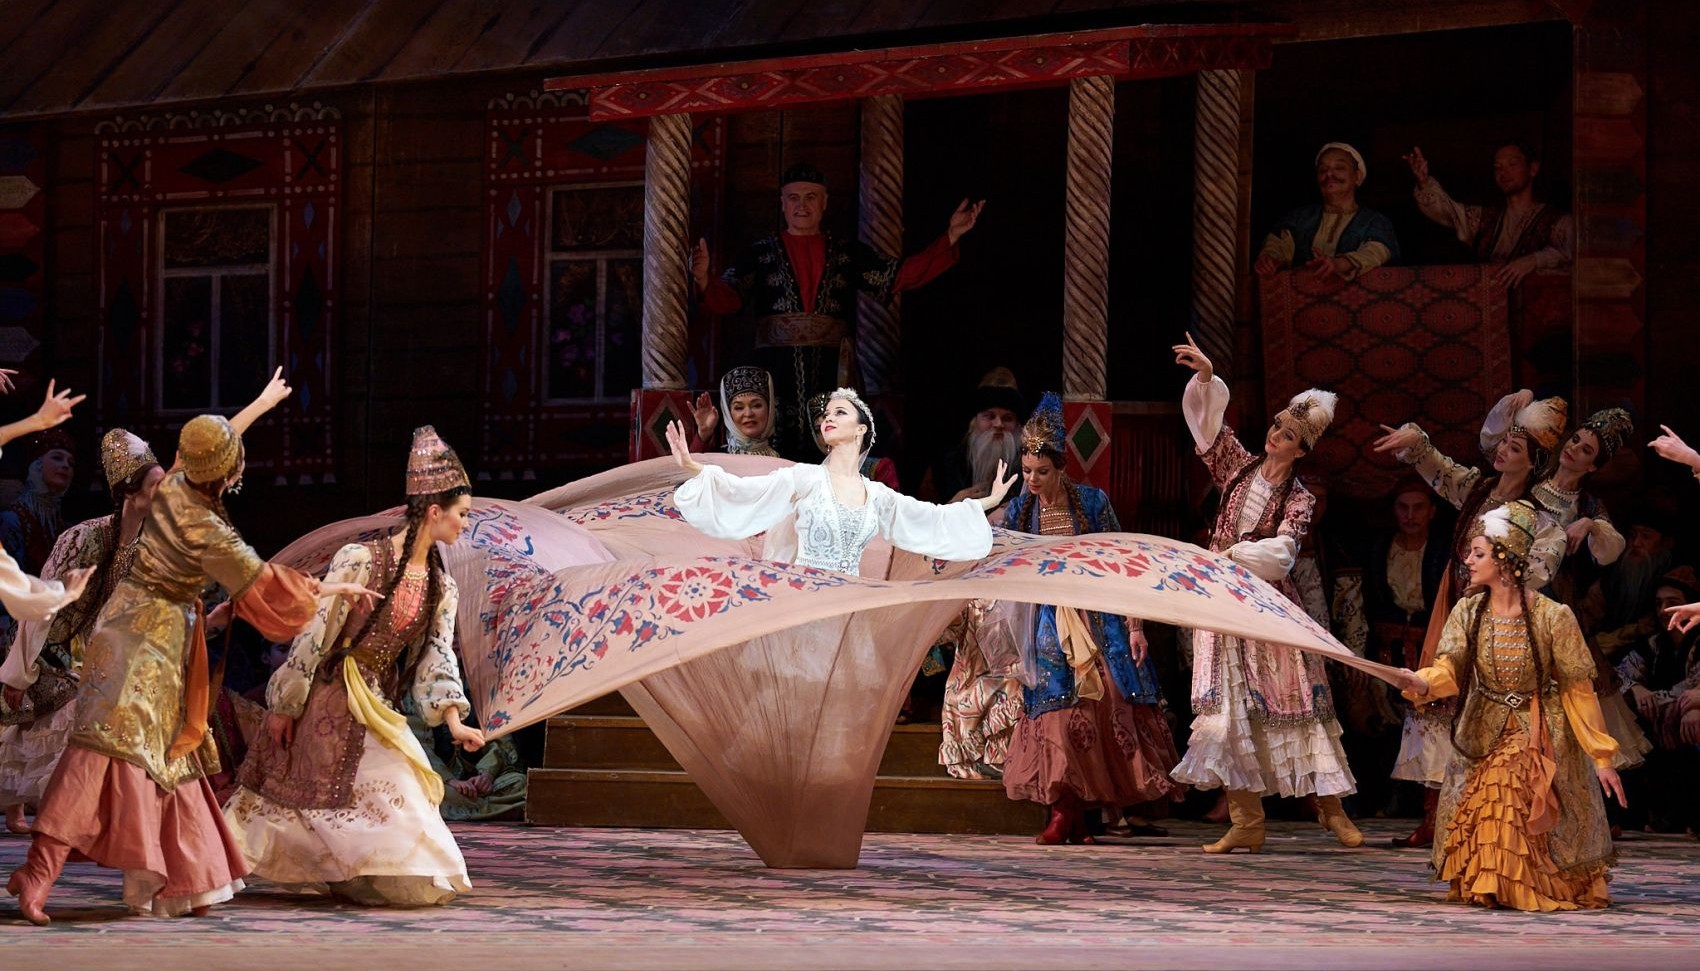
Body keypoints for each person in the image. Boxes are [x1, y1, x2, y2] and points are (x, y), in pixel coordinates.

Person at [6, 413, 375, 925]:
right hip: (132, 652)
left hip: (161, 650)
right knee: (102, 755)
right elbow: (261, 583)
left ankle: (189, 880)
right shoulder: (185, 520)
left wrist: (261, 404)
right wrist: (332, 588)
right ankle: (38, 872)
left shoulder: (181, 502)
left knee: (175, 759)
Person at [0, 370, 291, 834]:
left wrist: (261, 404)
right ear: (129, 494)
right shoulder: (86, 539)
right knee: (43, 724)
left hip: (101, 660)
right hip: (50, 652)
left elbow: (205, 452)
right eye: (158, 487)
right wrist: (19, 674)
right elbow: (42, 611)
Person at [226, 426, 484, 906]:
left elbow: (437, 656)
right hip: (330, 698)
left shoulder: (440, 586)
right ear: (434, 511)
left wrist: (455, 721)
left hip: (377, 704)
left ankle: (361, 874)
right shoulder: (362, 559)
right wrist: (285, 705)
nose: (465, 524)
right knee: (310, 797)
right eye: (462, 513)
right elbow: (316, 634)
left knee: (399, 793)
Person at [1168, 334, 1363, 853]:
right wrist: (1207, 379)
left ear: (1302, 449)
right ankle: (1246, 821)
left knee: (1296, 699)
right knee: (1227, 707)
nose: (1276, 435)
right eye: (1277, 426)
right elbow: (1209, 429)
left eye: (1289, 434)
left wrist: (1235, 554)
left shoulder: (1298, 498)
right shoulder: (1238, 467)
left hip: (1265, 602)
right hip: (1222, 602)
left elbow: (1284, 553)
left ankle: (1330, 808)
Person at [1397, 500, 1625, 912]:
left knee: (1511, 787)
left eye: (1478, 553)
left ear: (1505, 561)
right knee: (1487, 799)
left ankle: (1520, 883)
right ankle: (1493, 882)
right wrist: (1422, 682)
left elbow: (1577, 690)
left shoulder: (1553, 616)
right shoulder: (1468, 611)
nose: (1468, 561)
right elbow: (1449, 667)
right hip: (1483, 725)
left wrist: (1602, 755)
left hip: (1538, 728)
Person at [1371, 389, 1567, 848]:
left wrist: (1505, 582)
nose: (1503, 452)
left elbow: (1546, 558)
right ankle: (1434, 813)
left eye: (1515, 449)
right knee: (1438, 696)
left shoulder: (1533, 515)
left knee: (1485, 704)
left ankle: (1484, 811)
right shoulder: (1478, 489)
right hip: (1456, 602)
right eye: (1504, 444)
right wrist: (1416, 443)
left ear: (1532, 463)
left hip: (1499, 611)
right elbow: (1441, 470)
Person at [694, 163, 983, 457]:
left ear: (824, 202)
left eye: (811, 197)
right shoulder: (758, 253)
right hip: (774, 368)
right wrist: (704, 279)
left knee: (832, 445)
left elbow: (896, 277)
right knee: (777, 443)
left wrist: (950, 237)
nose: (802, 205)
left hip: (832, 368)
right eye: (794, 198)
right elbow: (728, 297)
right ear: (782, 204)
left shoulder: (847, 252)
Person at [999, 393, 1180, 844]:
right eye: (1027, 471)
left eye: (1042, 471)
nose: (1033, 479)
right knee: (1056, 710)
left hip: (1097, 615)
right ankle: (1064, 811)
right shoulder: (1022, 510)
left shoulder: (1093, 503)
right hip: (1046, 621)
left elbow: (1125, 563)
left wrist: (1136, 627)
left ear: (1061, 468)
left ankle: (1092, 812)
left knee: (1107, 701)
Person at [665, 387, 1009, 575]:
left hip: (848, 603)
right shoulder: (806, 478)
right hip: (805, 598)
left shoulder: (876, 494)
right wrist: (693, 465)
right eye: (826, 414)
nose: (828, 418)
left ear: (861, 429)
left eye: (839, 412)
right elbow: (743, 490)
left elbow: (930, 517)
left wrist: (988, 501)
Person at [1334, 478, 1452, 825]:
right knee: (1380, 720)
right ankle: (1380, 795)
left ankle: (1419, 800)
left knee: (1427, 719)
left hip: (1429, 647)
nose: (1410, 515)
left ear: (1431, 511)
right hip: (1385, 647)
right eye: (1403, 507)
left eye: (1418, 508)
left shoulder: (1442, 551)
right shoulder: (1379, 548)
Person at [1404, 140, 1574, 289]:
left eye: (1512, 164)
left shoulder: (1557, 221)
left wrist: (1533, 260)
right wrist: (1424, 181)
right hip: (1492, 306)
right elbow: (1448, 211)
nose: (1504, 172)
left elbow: (1573, 255)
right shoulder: (1486, 219)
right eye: (1498, 167)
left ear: (1533, 169)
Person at [1614, 567, 1700, 833]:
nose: (1664, 610)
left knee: (1692, 718)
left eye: (1672, 603)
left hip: (1686, 723)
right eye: (1659, 603)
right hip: (1661, 727)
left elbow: (1691, 688)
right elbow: (1618, 676)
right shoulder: (1653, 644)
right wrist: (1636, 689)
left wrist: (1686, 707)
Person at [1255, 142, 1400, 282]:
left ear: (1357, 176)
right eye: (1323, 170)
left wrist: (1341, 263)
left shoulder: (1374, 221)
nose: (1329, 174)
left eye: (1339, 167)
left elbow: (1377, 251)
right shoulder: (1298, 219)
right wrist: (1269, 261)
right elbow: (1277, 245)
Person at [937, 599, 1024, 781]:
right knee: (963, 695)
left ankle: (998, 758)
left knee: (1011, 687)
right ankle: (976, 758)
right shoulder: (968, 604)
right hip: (970, 675)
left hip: (1008, 673)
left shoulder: (1015, 600)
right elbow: (944, 633)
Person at [926, 367, 1024, 505]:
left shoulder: (1029, 470)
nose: (998, 424)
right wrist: (953, 506)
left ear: (1018, 425)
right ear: (975, 421)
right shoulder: (947, 465)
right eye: (990, 416)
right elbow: (925, 515)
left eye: (1007, 418)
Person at [691, 365, 780, 458]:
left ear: (770, 409)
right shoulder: (718, 458)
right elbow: (688, 465)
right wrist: (703, 434)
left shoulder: (783, 457)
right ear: (728, 414)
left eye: (756, 406)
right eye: (739, 408)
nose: (748, 414)